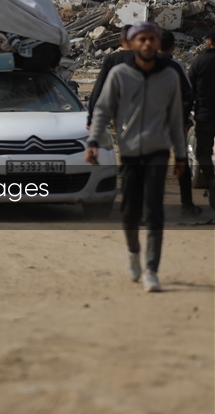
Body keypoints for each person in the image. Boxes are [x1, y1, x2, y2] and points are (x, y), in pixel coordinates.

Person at [86, 22, 187, 293]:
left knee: (154, 210)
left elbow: (175, 119)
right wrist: (93, 141)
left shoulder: (169, 76)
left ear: (158, 43)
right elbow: (103, 109)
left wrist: (180, 155)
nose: (147, 44)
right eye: (142, 39)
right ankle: (133, 252)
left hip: (158, 150)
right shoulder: (119, 74)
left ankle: (151, 269)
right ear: (131, 44)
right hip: (130, 152)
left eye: (151, 39)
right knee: (130, 213)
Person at [159, 29, 198, 216]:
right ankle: (187, 204)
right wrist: (183, 117)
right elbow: (188, 93)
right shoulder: (176, 65)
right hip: (174, 121)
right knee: (181, 160)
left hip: (151, 122)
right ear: (173, 47)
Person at [187, 27, 215, 211]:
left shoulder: (199, 62)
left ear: (209, 42)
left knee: (203, 153)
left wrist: (186, 113)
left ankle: (211, 181)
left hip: (205, 116)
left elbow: (189, 91)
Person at [86, 25, 132, 128]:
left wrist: (91, 118)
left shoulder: (112, 59)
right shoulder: (150, 60)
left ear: (120, 40)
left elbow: (98, 89)